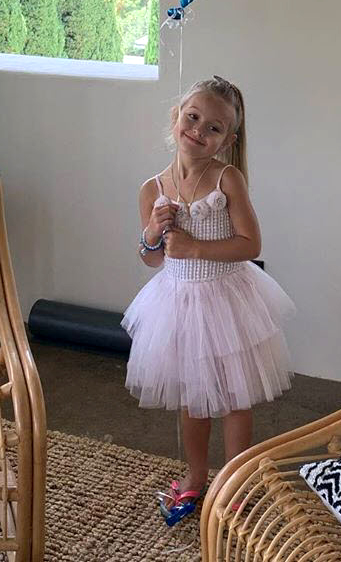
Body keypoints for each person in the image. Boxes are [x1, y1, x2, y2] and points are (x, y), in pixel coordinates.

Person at [123, 75, 294, 515]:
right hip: (178, 304)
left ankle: (234, 482)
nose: (199, 131)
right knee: (193, 397)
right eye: (193, 117)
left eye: (213, 127)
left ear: (227, 140)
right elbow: (151, 259)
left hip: (226, 301)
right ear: (176, 116)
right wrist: (152, 232)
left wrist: (196, 247)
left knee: (235, 398)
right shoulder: (152, 189)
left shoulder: (226, 180)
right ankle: (196, 476)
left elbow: (250, 245)